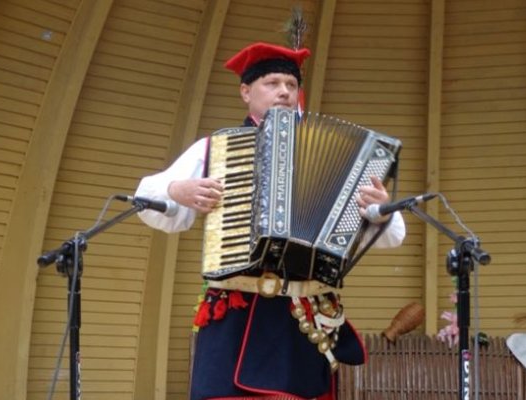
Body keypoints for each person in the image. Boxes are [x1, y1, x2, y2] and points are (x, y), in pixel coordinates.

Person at [135, 42, 406, 400]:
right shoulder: (218, 149)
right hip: (240, 313)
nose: (284, 91)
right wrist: (176, 188)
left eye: (291, 85)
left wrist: (378, 209)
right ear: (246, 92)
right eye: (272, 82)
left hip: (302, 320)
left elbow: (394, 235)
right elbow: (146, 196)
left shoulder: (340, 151)